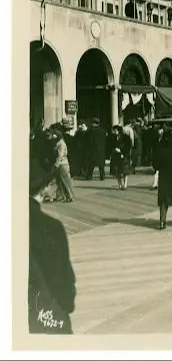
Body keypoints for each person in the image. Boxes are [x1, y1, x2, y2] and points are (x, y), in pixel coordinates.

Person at [29, 159, 76, 333]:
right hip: (45, 315)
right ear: (43, 189)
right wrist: (66, 305)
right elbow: (64, 277)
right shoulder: (51, 227)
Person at [52, 129, 74, 202]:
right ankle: (60, 196)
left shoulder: (61, 144)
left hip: (62, 164)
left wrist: (56, 164)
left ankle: (70, 197)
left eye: (54, 134)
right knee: (59, 181)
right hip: (60, 164)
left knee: (65, 182)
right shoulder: (58, 143)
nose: (52, 136)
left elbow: (60, 155)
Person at [110, 125, 132, 191]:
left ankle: (125, 185)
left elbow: (129, 146)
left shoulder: (126, 137)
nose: (114, 132)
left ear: (119, 131)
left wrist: (122, 151)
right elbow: (109, 146)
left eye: (115, 130)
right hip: (115, 156)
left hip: (124, 156)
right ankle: (119, 185)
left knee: (124, 171)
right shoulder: (112, 137)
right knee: (117, 171)